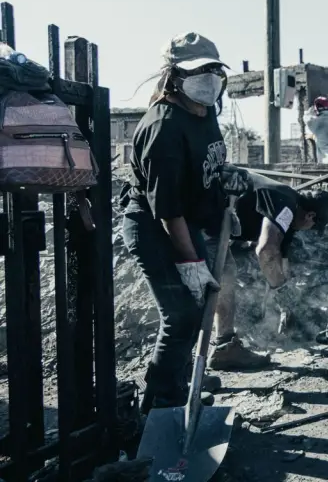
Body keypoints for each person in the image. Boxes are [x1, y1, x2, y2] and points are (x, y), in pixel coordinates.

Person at [122, 32, 234, 413]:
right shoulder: (163, 126)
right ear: (175, 75)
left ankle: (183, 385)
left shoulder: (206, 111)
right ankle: (159, 405)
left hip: (186, 224)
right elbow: (167, 207)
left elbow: (208, 164)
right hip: (155, 227)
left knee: (199, 306)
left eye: (213, 69)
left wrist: (228, 178)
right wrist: (190, 262)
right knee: (181, 314)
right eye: (198, 71)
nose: (208, 77)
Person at [205, 170, 328, 360]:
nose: (311, 230)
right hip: (202, 217)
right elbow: (266, 251)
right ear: (310, 216)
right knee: (224, 277)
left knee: (226, 273)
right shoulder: (286, 205)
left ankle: (224, 346)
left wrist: (289, 306)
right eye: (315, 226)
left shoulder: (290, 216)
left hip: (215, 224)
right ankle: (222, 349)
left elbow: (281, 260)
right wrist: (281, 292)